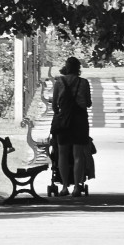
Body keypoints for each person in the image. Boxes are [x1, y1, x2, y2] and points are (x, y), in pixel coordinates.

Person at [51, 56, 93, 197]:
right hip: (80, 120)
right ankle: (76, 186)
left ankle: (63, 187)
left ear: (66, 67)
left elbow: (54, 105)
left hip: (63, 120)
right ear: (78, 68)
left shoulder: (59, 82)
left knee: (62, 153)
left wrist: (61, 113)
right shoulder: (84, 82)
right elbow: (88, 103)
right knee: (78, 154)